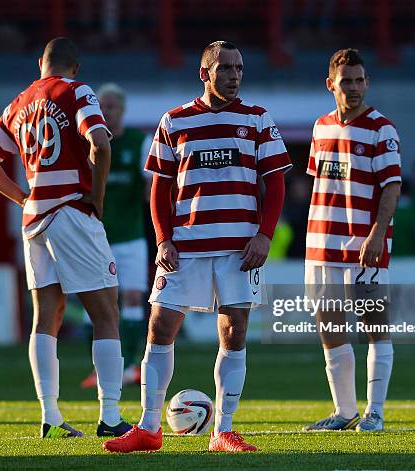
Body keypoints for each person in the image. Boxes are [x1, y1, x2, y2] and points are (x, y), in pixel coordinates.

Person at [104, 40, 291, 453]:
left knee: (234, 331)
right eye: (225, 68)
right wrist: (163, 238)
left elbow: (276, 183)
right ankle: (149, 428)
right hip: (185, 245)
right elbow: (159, 188)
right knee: (160, 326)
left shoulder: (258, 119)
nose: (234, 75)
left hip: (240, 248)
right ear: (204, 73)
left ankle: (222, 430)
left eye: (239, 68)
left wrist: (265, 235)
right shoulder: (174, 121)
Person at [0, 37, 131, 439]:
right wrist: (97, 196)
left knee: (46, 317)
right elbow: (100, 142)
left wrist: (23, 196)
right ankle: (110, 416)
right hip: (72, 212)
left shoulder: (19, 102)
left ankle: (51, 416)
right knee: (106, 313)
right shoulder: (77, 92)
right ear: (75, 67)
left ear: (40, 62)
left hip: (34, 218)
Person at [303, 48, 401, 432]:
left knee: (375, 325)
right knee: (330, 326)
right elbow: (319, 185)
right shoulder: (320, 127)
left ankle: (375, 412)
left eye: (361, 80)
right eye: (347, 81)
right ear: (331, 85)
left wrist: (377, 233)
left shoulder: (382, 129)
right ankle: (344, 412)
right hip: (321, 243)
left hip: (365, 245)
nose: (355, 87)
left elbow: (391, 188)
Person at [81, 83, 151, 389]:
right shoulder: (87, 143)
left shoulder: (139, 142)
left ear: (121, 110)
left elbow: (151, 190)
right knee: (95, 302)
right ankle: (98, 370)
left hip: (132, 237)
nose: (106, 111)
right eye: (102, 106)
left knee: (133, 299)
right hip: (95, 237)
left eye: (111, 106)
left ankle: (133, 366)